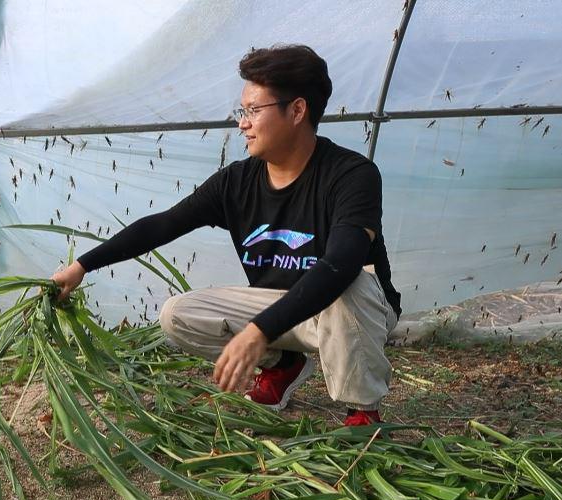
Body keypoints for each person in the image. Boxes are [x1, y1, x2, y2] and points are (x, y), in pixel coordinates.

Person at [51, 44, 401, 427]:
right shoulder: (237, 181)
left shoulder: (351, 175)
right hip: (285, 308)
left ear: (297, 110)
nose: (242, 123)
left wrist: (258, 330)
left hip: (355, 308)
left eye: (254, 111)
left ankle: (362, 411)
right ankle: (283, 364)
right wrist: (83, 266)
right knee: (179, 315)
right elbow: (164, 224)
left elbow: (340, 263)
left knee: (347, 283)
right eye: (242, 111)